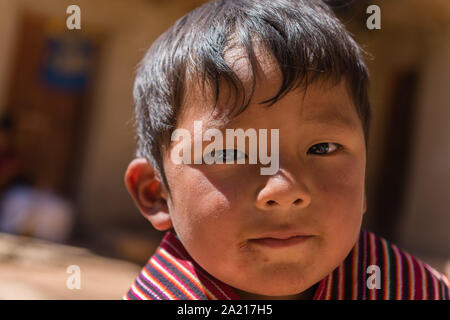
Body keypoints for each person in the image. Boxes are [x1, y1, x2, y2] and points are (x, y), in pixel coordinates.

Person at [122, 0, 449, 299]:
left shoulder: (415, 290)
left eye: (323, 148)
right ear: (156, 192)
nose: (284, 189)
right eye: (229, 154)